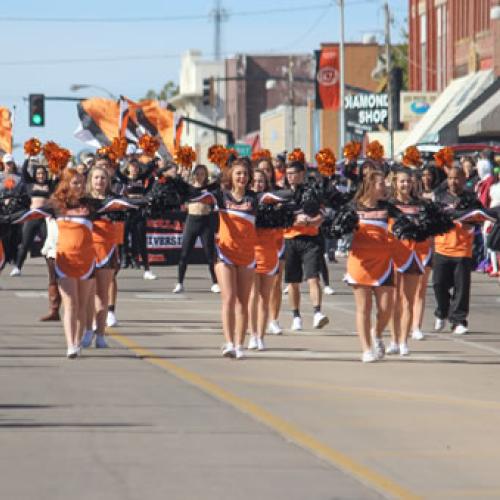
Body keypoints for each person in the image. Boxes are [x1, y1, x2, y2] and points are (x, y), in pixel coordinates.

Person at [345, 170, 398, 362]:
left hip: (383, 264)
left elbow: (404, 223)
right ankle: (366, 349)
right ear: (370, 186)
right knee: (364, 307)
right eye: (380, 184)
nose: (384, 187)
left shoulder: (388, 208)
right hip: (360, 263)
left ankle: (376, 333)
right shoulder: (353, 207)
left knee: (386, 308)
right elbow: (340, 228)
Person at [50, 169, 96, 358]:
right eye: (75, 182)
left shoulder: (91, 205)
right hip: (64, 259)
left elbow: (115, 205)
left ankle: (78, 340)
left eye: (81, 183)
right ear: (66, 183)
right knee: (70, 303)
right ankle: (70, 345)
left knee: (82, 305)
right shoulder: (56, 205)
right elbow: (33, 211)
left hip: (86, 261)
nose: (78, 186)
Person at [387, 168, 432, 355]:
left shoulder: (420, 205)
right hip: (394, 255)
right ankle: (393, 340)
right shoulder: (388, 205)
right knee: (394, 300)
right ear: (395, 183)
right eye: (402, 181)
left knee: (408, 299)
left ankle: (404, 341)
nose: (405, 185)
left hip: (413, 256)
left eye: (408, 181)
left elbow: (428, 229)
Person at [433, 167, 480, 335]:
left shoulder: (471, 198)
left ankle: (458, 320)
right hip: (441, 248)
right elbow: (431, 218)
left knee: (461, 288)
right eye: (451, 178)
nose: (454, 181)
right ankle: (442, 312)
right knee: (439, 284)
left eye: (457, 178)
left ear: (463, 178)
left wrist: (471, 223)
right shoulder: (440, 197)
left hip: (462, 250)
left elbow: (479, 218)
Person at [283, 161, 329, 331]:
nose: (290, 176)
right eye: (287, 173)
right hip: (290, 239)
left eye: (293, 173)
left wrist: (312, 221)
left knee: (313, 277)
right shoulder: (283, 193)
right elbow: (278, 215)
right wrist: (294, 220)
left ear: (302, 174)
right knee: (293, 282)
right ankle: (296, 316)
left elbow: (323, 213)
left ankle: (317, 312)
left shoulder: (312, 191)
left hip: (311, 240)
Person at [247, 169, 282, 351]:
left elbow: (279, 234)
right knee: (253, 295)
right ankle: (252, 334)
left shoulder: (274, 203)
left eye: (262, 181)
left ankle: (261, 336)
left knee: (265, 297)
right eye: (255, 181)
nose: (258, 184)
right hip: (252, 253)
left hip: (269, 254)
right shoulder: (247, 203)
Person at [173, 164, 219, 294]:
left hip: (206, 222)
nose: (200, 176)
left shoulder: (210, 188)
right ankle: (180, 283)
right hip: (192, 221)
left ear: (206, 175)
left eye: (202, 174)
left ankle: (215, 283)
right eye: (197, 173)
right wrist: (180, 171)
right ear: (194, 174)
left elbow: (221, 181)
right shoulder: (188, 188)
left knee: (210, 254)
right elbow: (177, 184)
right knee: (184, 254)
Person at [10, 158, 57, 276]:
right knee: (25, 243)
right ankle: (17, 267)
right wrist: (27, 158)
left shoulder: (50, 184)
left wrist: (56, 163)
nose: (41, 176)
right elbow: (25, 172)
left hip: (45, 218)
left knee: (49, 244)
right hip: (31, 217)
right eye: (38, 173)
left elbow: (58, 177)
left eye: (43, 173)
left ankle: (52, 270)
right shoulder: (30, 184)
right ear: (35, 174)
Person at [117, 157, 157, 280]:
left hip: (139, 212)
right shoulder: (125, 179)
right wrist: (118, 159)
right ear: (128, 168)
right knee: (123, 237)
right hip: (127, 212)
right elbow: (116, 172)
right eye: (132, 166)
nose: (134, 169)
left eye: (136, 167)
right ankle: (124, 259)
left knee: (139, 238)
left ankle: (141, 263)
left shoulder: (141, 178)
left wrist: (152, 158)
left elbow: (150, 169)